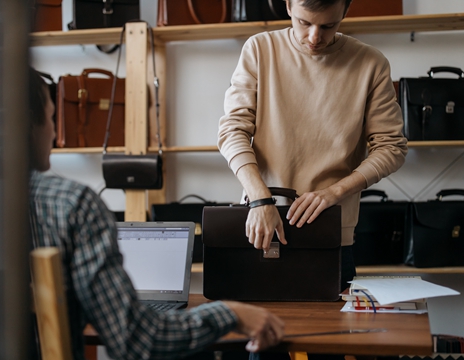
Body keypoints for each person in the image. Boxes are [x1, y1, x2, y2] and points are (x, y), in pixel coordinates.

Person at [27, 67, 285, 360]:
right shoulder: (72, 205)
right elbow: (138, 339)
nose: (54, 133)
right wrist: (230, 312)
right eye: (50, 119)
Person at [218, 0, 407, 293]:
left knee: (335, 336)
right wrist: (259, 198)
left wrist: (335, 192)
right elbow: (232, 131)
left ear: (345, 12)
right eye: (305, 23)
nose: (315, 37)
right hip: (265, 223)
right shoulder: (259, 49)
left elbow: (391, 147)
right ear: (289, 5)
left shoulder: (371, 63)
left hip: (332, 235)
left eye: (328, 26)